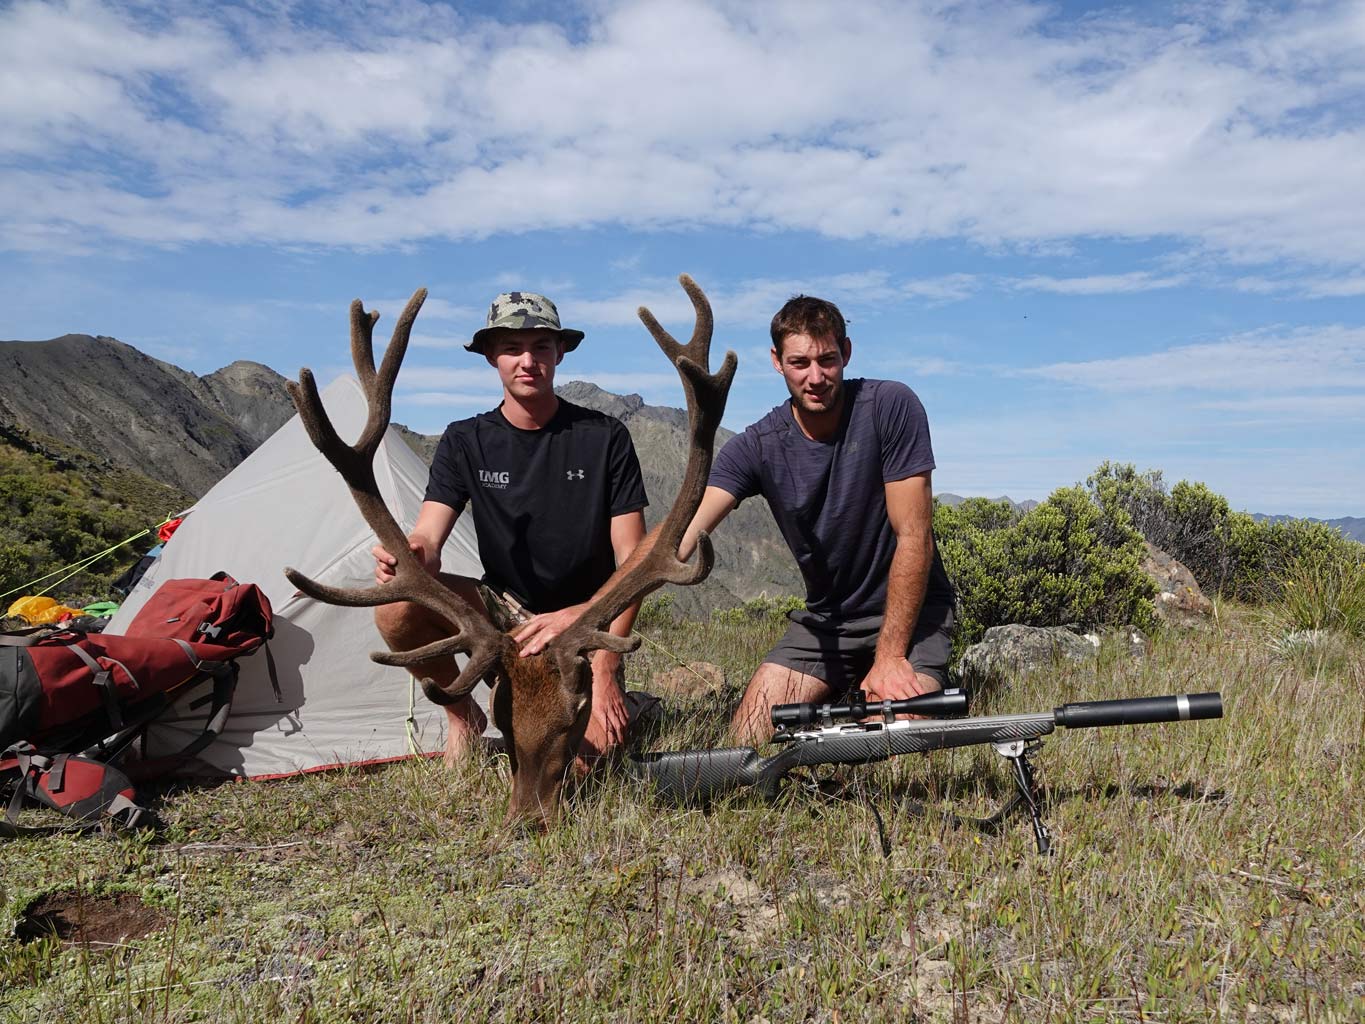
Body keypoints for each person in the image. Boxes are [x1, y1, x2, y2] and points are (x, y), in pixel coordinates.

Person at [372, 292, 648, 764]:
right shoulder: (464, 440)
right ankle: (464, 719)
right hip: (502, 618)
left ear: (560, 353)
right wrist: (410, 555)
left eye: (541, 346)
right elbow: (429, 539)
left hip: (584, 623)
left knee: (580, 768)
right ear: (490, 356)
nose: (528, 361)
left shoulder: (605, 438)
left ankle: (627, 703)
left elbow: (635, 564)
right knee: (398, 604)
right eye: (512, 348)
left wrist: (605, 666)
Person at [683, 295, 956, 744]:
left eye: (827, 360)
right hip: (828, 624)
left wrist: (889, 656)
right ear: (777, 362)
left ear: (845, 353)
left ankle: (889, 681)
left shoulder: (890, 406)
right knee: (745, 740)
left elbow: (914, 537)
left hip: (912, 614)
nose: (815, 377)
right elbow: (686, 534)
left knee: (890, 741)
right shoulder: (757, 446)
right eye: (800, 362)